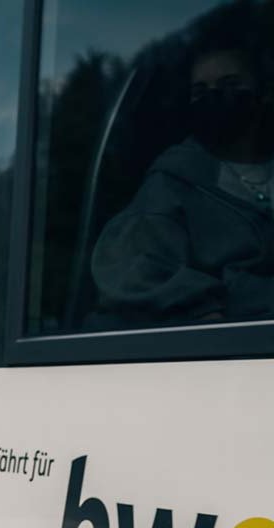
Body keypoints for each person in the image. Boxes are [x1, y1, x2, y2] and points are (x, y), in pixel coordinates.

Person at [92, 32, 274, 325]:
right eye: (201, 91)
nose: (214, 97)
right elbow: (132, 268)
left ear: (264, 94)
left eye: (230, 85)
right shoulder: (171, 183)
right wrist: (203, 310)